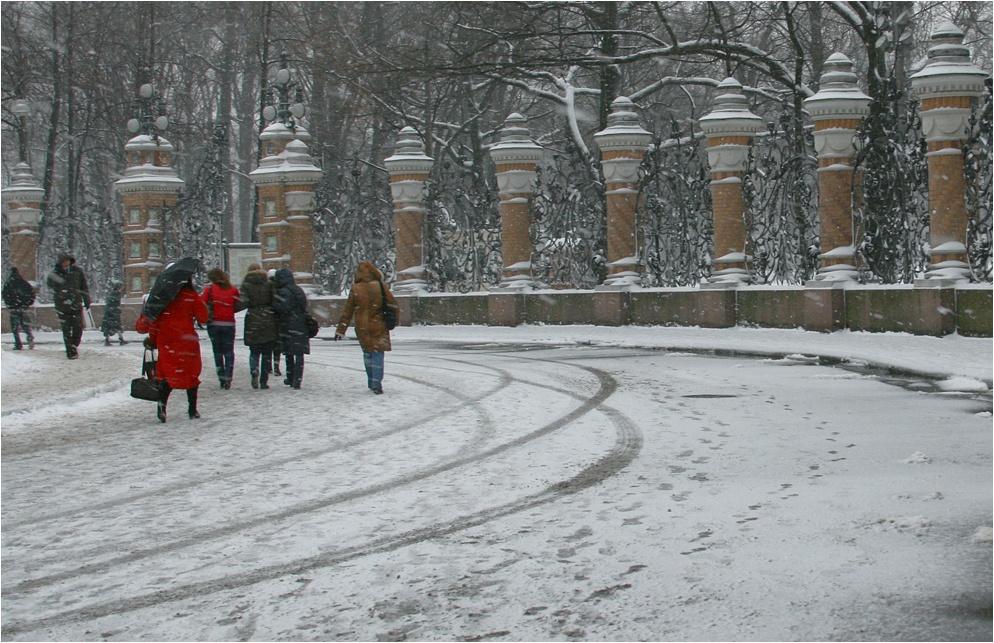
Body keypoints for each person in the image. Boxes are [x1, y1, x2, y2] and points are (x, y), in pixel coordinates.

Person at [136, 277, 209, 422]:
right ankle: (192, 410)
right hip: (187, 341)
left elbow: (152, 323)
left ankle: (162, 407)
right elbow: (204, 318)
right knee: (191, 375)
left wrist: (153, 339)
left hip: (166, 341)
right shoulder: (191, 296)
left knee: (166, 376)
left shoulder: (162, 299)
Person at [334, 261, 398, 395]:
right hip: (379, 324)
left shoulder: (356, 289)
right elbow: (393, 304)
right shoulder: (381, 286)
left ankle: (371, 380)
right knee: (378, 353)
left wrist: (341, 329)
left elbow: (348, 311)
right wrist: (393, 321)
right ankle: (376, 382)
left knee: (368, 353)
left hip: (362, 326)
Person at [235, 263, 279, 389]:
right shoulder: (268, 284)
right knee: (266, 352)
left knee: (254, 351)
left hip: (253, 318)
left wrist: (229, 309)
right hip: (268, 318)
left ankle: (254, 369)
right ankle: (264, 381)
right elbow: (274, 300)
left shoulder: (246, 285)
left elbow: (243, 302)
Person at [201, 268, 239, 389]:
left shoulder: (209, 289)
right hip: (229, 324)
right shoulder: (232, 289)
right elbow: (238, 303)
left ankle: (221, 377)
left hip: (214, 324)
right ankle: (228, 376)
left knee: (217, 352)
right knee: (229, 351)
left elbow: (202, 303)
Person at [46, 254, 91, 359]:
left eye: (67, 261)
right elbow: (50, 284)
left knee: (78, 328)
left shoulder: (77, 271)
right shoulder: (56, 273)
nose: (66, 263)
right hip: (62, 306)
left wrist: (86, 300)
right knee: (66, 330)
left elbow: (83, 286)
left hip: (75, 304)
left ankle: (74, 345)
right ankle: (70, 351)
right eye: (64, 262)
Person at [271, 268, 309, 389]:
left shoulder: (283, 291)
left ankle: (291, 377)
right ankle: (298, 379)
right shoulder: (298, 290)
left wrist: (273, 304)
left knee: (289, 352)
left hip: (288, 324)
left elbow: (284, 308)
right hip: (301, 324)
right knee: (299, 353)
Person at [2, 267, 36, 350]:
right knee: (25, 324)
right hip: (23, 307)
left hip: (14, 307)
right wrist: (27, 303)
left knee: (15, 327)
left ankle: (18, 344)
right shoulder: (24, 283)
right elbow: (31, 293)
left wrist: (9, 304)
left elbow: (5, 294)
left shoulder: (9, 283)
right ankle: (29, 335)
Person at [100, 281, 128, 346]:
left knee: (110, 327)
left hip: (111, 313)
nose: (121, 289)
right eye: (120, 287)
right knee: (116, 326)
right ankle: (120, 340)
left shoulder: (115, 293)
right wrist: (116, 310)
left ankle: (115, 340)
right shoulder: (115, 294)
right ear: (118, 287)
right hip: (112, 313)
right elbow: (113, 304)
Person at [267, 268, 282, 377]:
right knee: (277, 345)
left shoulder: (266, 287)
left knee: (268, 344)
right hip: (278, 318)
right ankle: (276, 365)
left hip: (268, 318)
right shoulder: (280, 287)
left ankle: (269, 366)